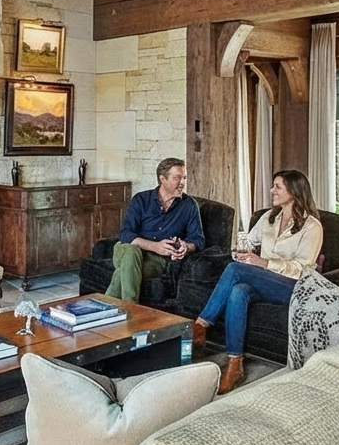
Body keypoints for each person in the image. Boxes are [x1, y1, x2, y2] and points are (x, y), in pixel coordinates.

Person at [193, 169, 323, 394]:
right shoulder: (269, 218)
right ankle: (235, 364)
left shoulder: (312, 227)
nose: (272, 190)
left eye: (278, 186)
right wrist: (240, 252)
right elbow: (248, 242)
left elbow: (303, 269)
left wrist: (264, 263)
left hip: (294, 287)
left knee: (234, 271)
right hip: (265, 282)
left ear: (294, 191)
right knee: (238, 291)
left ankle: (201, 325)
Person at [106, 158, 205, 303]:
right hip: (125, 249)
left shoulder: (189, 205)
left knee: (125, 272)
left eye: (184, 178)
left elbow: (198, 239)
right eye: (177, 178)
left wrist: (186, 246)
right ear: (162, 179)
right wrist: (154, 246)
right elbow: (126, 234)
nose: (182, 183)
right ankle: (131, 310)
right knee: (132, 252)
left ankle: (107, 310)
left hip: (157, 260)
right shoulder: (141, 200)